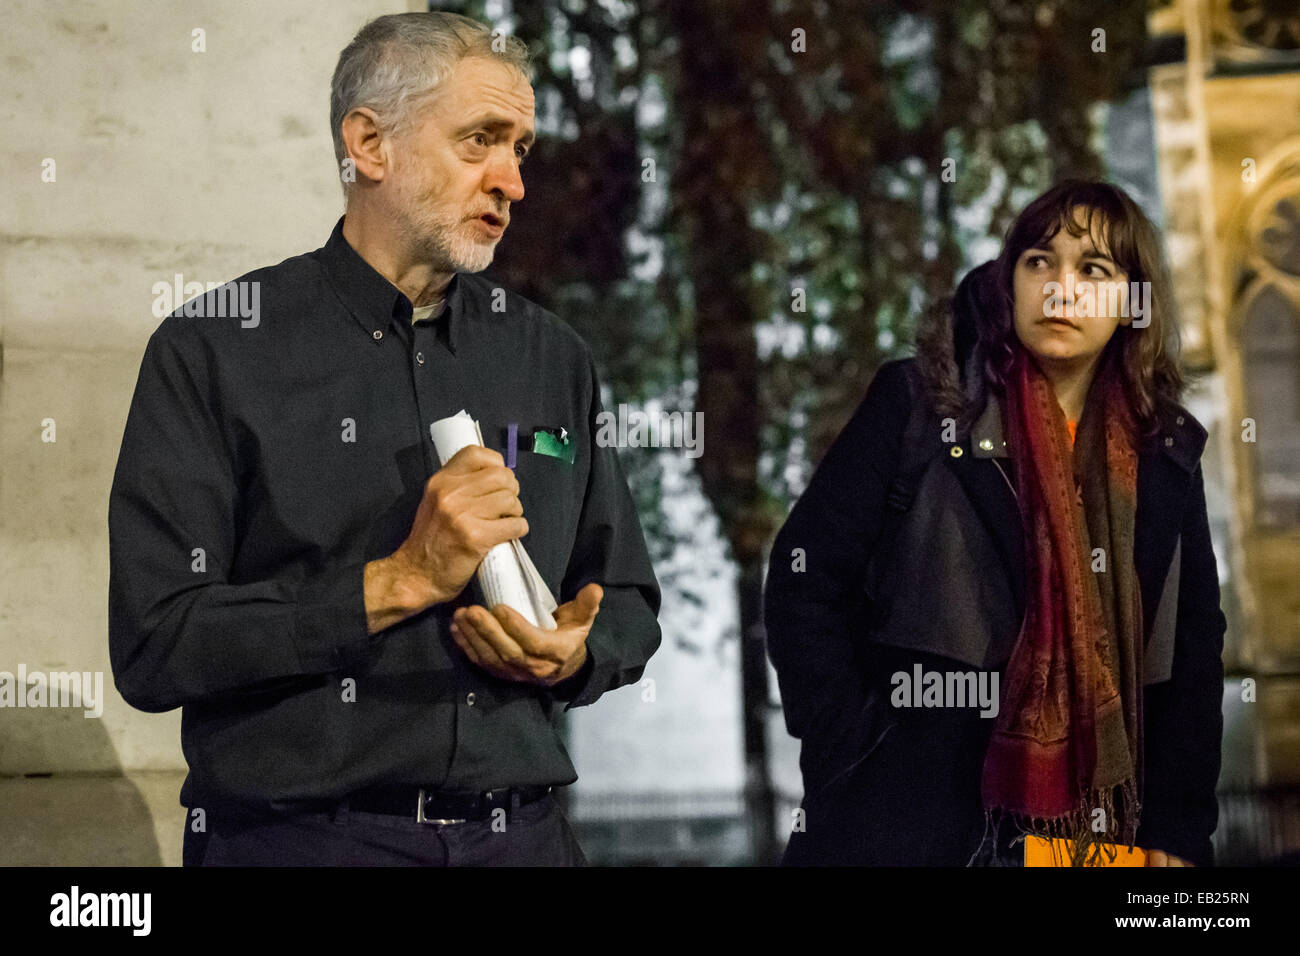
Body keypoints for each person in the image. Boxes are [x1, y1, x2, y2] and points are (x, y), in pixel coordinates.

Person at [108, 12, 661, 867]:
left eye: (521, 150)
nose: (512, 180)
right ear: (368, 144)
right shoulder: (215, 348)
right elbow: (156, 644)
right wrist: (396, 583)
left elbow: (625, 598)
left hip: (526, 839)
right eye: (481, 140)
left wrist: (574, 652)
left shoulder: (551, 356)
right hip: (300, 844)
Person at [764, 180, 1225, 867]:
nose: (1061, 287)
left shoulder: (1165, 457)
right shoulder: (921, 406)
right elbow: (805, 581)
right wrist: (853, 751)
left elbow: (1191, 655)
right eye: (1040, 261)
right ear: (1011, 280)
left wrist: (1178, 830)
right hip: (911, 834)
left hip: (1091, 847)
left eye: (1093, 269)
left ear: (1133, 304)